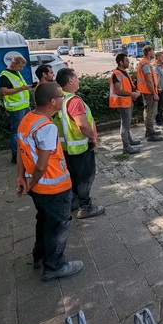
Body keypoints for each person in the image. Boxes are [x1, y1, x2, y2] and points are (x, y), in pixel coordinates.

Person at [16, 82, 83, 282]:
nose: (64, 99)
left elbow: (21, 152)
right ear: (53, 101)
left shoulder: (28, 119)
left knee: (44, 220)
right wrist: (31, 181)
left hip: (37, 188)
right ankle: (55, 266)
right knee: (59, 224)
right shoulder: (47, 128)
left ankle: (40, 255)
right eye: (62, 96)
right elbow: (41, 166)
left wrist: (21, 177)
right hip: (52, 187)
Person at [53, 68, 104, 219]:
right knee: (85, 177)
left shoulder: (57, 99)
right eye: (76, 77)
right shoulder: (73, 101)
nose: (78, 80)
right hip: (79, 147)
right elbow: (82, 124)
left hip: (64, 148)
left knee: (72, 176)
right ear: (70, 81)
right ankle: (85, 207)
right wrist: (93, 137)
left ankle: (73, 201)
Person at [0, 55, 31, 164]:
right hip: (16, 108)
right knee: (16, 132)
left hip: (25, 106)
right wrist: (22, 88)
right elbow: (4, 91)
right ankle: (15, 155)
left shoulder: (16, 72)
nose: (21, 69)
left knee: (27, 129)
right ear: (14, 63)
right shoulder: (4, 76)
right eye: (20, 66)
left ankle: (25, 151)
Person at [109, 53, 142, 154]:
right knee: (125, 125)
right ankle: (126, 147)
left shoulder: (124, 72)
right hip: (122, 103)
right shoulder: (116, 74)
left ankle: (129, 140)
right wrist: (132, 93)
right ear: (121, 62)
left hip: (128, 101)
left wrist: (135, 93)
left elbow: (129, 86)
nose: (128, 62)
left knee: (127, 124)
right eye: (126, 61)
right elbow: (118, 91)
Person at [136, 45, 163, 141]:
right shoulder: (146, 64)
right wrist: (154, 93)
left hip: (149, 91)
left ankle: (150, 131)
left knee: (150, 112)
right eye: (152, 51)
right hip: (149, 92)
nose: (154, 53)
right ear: (148, 53)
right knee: (150, 113)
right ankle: (150, 134)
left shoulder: (145, 63)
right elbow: (148, 81)